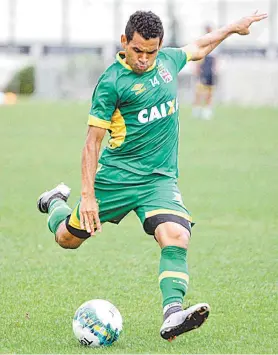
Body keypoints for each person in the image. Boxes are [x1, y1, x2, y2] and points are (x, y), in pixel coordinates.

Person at [37, 10, 267, 341]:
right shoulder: (112, 83)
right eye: (137, 51)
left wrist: (232, 28)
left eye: (151, 51)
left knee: (176, 234)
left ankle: (173, 313)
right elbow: (92, 143)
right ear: (124, 43)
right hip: (116, 179)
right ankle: (56, 201)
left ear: (160, 47)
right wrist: (86, 196)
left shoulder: (168, 63)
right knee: (66, 239)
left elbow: (199, 47)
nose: (144, 59)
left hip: (158, 181)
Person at [192, 25, 217, 120]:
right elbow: (198, 55)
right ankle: (197, 109)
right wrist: (197, 67)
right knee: (200, 90)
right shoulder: (202, 42)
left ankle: (207, 110)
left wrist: (215, 68)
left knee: (210, 90)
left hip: (210, 68)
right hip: (204, 66)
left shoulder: (216, 41)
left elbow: (215, 58)